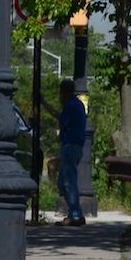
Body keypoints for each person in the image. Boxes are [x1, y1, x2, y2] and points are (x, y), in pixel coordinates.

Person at [57, 78, 88, 225]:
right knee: (64, 182)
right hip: (76, 145)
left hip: (70, 145)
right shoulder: (78, 104)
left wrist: (45, 105)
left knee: (68, 182)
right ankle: (75, 212)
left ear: (64, 92)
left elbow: (63, 122)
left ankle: (75, 214)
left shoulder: (70, 105)